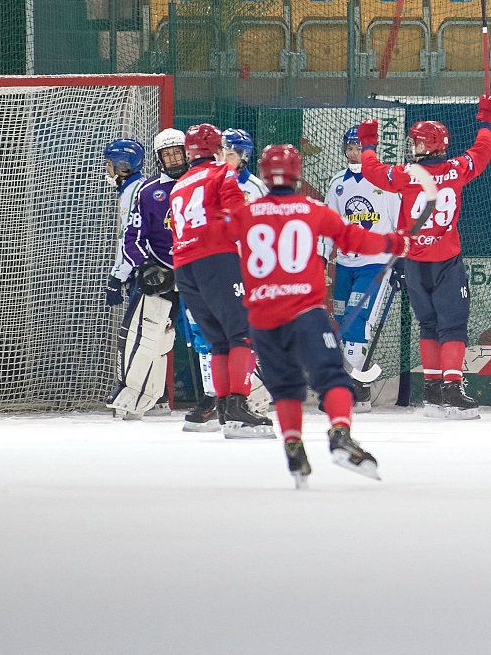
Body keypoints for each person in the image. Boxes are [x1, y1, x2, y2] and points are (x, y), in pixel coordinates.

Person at [213, 144, 412, 488]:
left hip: (261, 317)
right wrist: (392, 243)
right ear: (297, 172)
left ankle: (293, 444)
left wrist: (224, 174)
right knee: (333, 378)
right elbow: (352, 239)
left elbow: (223, 220)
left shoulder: (245, 213)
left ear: (262, 173)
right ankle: (339, 433)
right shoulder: (312, 209)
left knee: (285, 387)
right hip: (305, 312)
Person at [357, 95, 491, 420]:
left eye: (415, 143)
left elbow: (373, 171)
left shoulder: (406, 175)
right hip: (446, 263)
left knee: (429, 324)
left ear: (427, 145)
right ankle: (452, 389)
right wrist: (487, 122)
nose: (411, 148)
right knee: (453, 327)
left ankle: (433, 392)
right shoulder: (456, 169)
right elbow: (483, 153)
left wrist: (367, 143)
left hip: (415, 265)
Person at [168, 122, 275, 438]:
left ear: (189, 153)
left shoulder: (179, 184)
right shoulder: (221, 173)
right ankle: (238, 407)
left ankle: (226, 408)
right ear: (217, 150)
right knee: (242, 332)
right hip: (216, 260)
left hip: (184, 267)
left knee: (217, 339)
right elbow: (239, 217)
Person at [322, 124, 402, 412]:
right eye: (350, 147)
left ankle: (352, 386)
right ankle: (359, 389)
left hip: (376, 264)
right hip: (345, 263)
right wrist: (321, 256)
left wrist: (400, 259)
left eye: (360, 147)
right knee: (343, 322)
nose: (355, 153)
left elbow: (399, 224)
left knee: (358, 320)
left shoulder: (386, 181)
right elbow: (327, 225)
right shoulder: (337, 184)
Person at [107, 130, 185, 420]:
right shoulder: (149, 191)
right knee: (146, 335)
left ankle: (240, 396)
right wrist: (144, 265)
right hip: (162, 272)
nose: (174, 158)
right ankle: (137, 396)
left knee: (215, 336)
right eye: (167, 154)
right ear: (158, 158)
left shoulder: (203, 186)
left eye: (178, 152)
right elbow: (133, 236)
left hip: (199, 273)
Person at [103, 138, 147, 310]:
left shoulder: (133, 192)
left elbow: (129, 238)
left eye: (108, 164)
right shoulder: (133, 188)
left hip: (149, 271)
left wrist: (117, 277)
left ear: (122, 166)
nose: (106, 169)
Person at [221, 128, 269, 202]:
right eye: (222, 154)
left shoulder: (257, 188)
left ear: (243, 157)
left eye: (230, 155)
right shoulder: (211, 183)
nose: (224, 159)